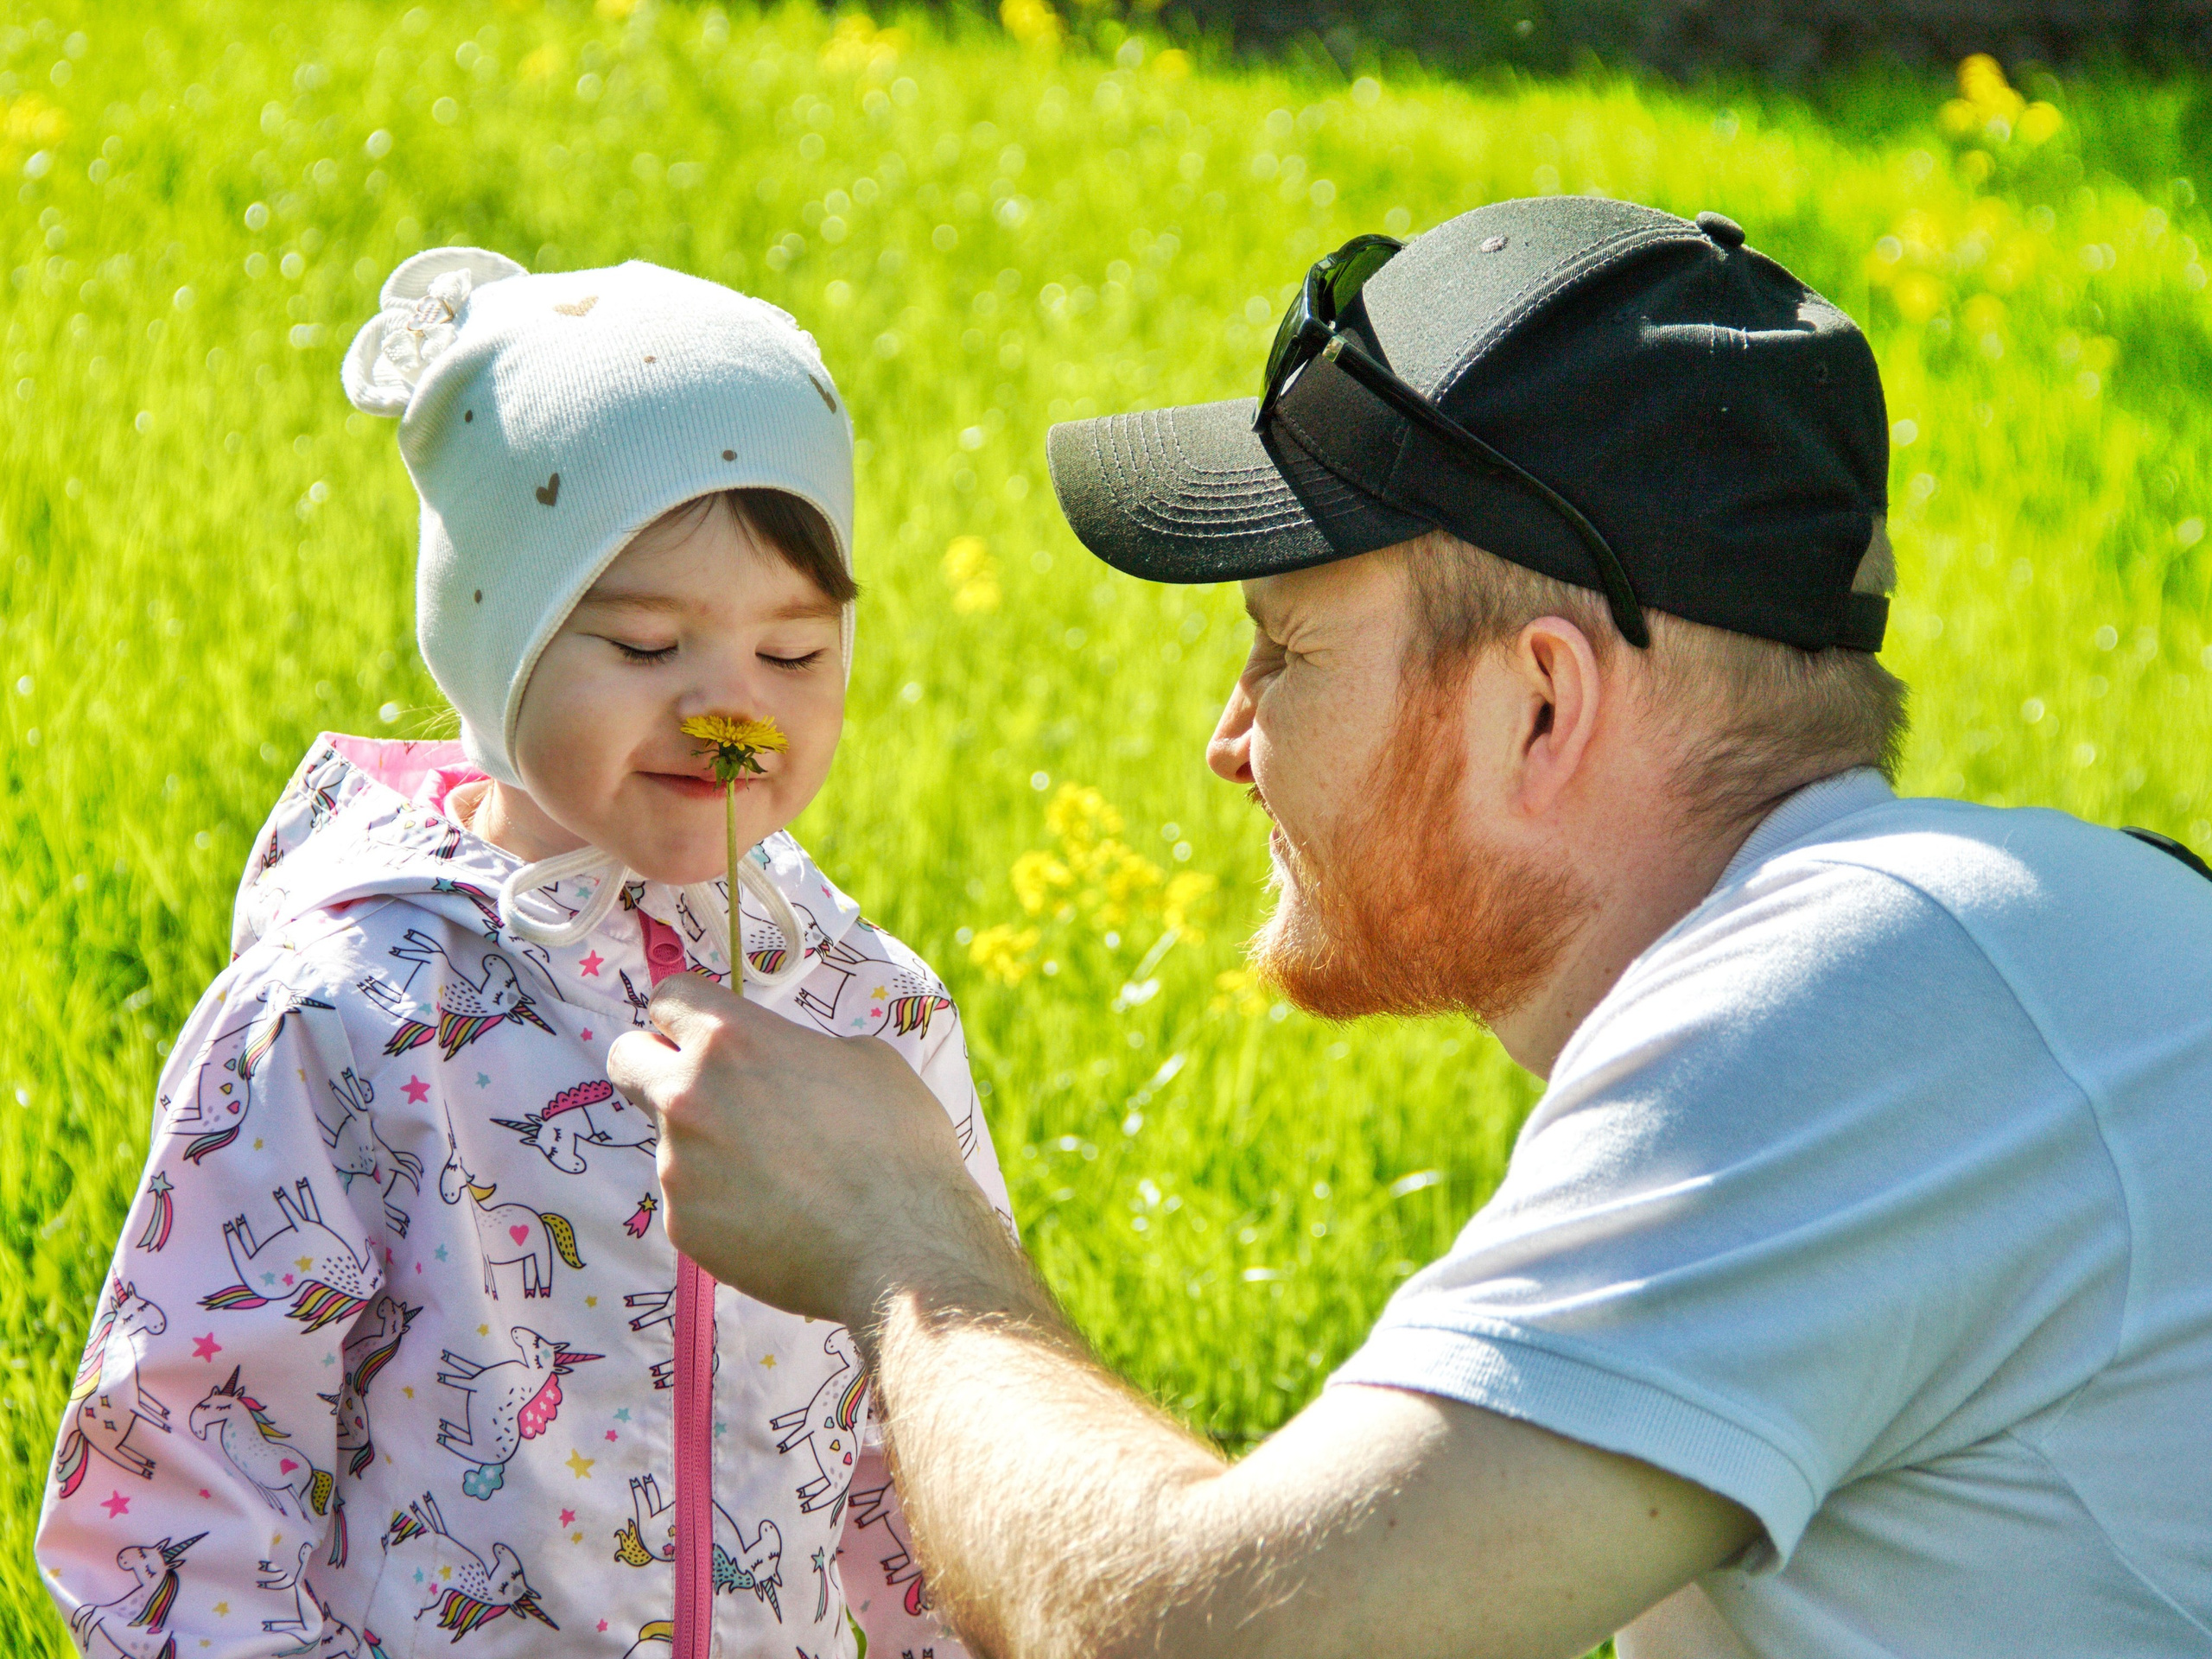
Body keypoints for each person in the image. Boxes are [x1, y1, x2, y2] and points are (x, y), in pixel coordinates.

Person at [606, 197, 2212, 1657]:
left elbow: (1217, 1644)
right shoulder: (1973, 966)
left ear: (1536, 705)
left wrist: (903, 1242)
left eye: (1285, 653)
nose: (1227, 744)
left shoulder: (1860, 999)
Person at [35, 248, 1005, 1659]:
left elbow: (937, 1420)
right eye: (647, 641)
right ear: (493, 646)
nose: (731, 710)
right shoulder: (351, 1014)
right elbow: (188, 1449)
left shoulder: (863, 1007)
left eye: (794, 658)